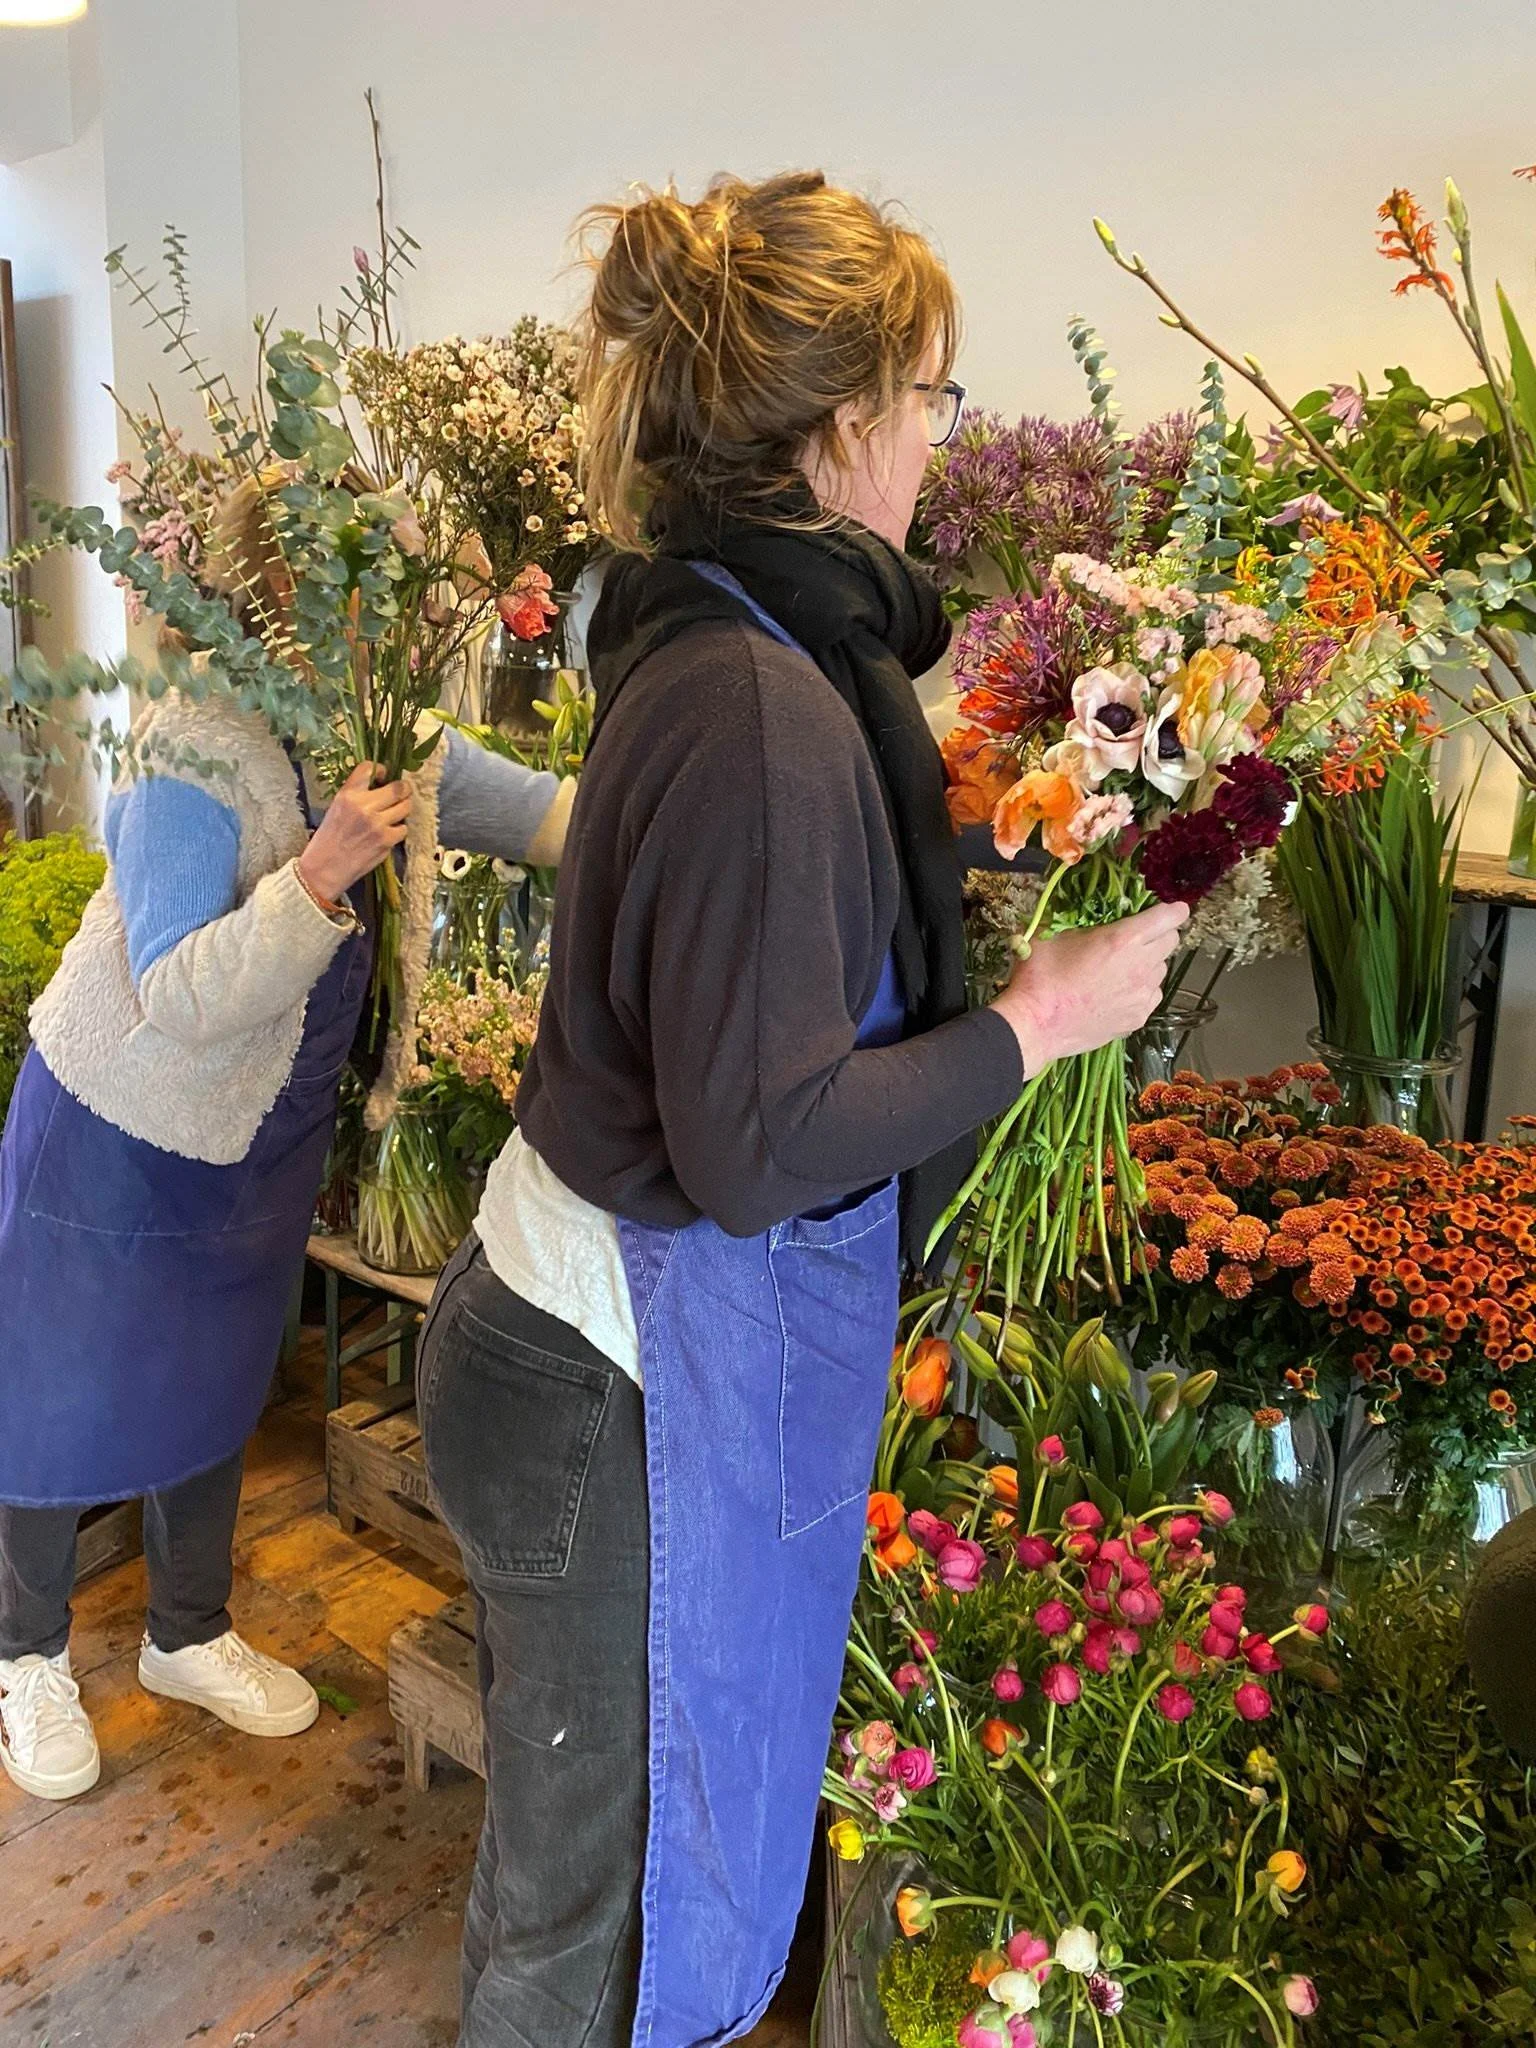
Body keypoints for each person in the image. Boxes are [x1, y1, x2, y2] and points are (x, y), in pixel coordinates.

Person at [413, 169, 1189, 2048]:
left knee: (596, 1883)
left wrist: (967, 848)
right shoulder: (762, 697)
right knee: (584, 1928)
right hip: (610, 1382)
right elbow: (756, 1148)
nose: (944, 435)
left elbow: (759, 933)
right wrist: (1036, 1020)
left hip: (584, 1348)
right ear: (842, 423)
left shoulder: (744, 636)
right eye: (932, 396)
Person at [0, 582, 572, 1801]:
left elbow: (550, 816)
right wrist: (319, 876)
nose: (386, 634)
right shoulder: (195, 752)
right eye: (359, 607)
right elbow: (176, 992)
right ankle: (24, 1654)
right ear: (279, 615)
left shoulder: (383, 728)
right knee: (54, 1391)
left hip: (258, 1139)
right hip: (117, 1122)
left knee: (213, 1378)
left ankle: (187, 1632)